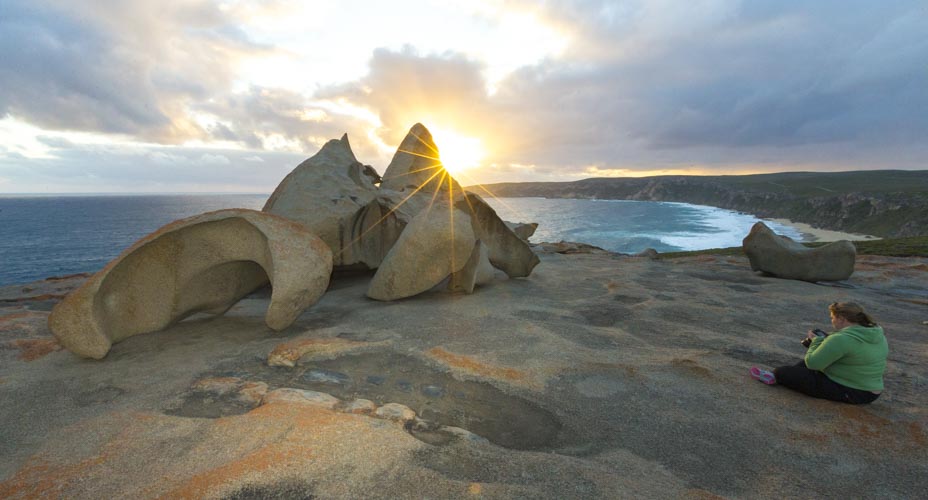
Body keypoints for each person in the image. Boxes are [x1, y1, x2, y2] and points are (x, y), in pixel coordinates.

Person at [750, 302, 888, 404]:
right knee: (803, 366)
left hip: (854, 392)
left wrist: (815, 341)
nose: (832, 321)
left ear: (841, 319)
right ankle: (777, 376)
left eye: (832, 318)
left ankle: (776, 376)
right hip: (871, 390)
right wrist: (826, 342)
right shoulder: (876, 332)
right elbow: (850, 351)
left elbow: (813, 364)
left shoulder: (841, 338)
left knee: (783, 371)